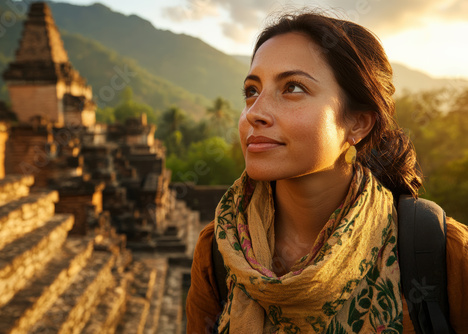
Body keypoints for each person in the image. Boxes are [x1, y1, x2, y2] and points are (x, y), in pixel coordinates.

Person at [186, 10, 468, 334]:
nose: (255, 113)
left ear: (358, 123)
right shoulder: (221, 249)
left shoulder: (441, 253)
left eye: (292, 88)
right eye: (251, 91)